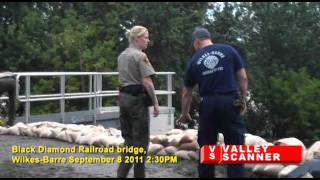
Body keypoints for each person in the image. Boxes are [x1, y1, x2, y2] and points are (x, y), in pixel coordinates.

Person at [176, 27, 249, 178]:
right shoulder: (228, 50)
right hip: (230, 101)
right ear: (208, 38)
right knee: (235, 150)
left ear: (197, 41)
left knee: (207, 150)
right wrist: (243, 99)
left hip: (208, 103)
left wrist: (184, 113)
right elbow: (243, 77)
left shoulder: (194, 60)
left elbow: (186, 92)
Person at [117, 25, 160, 178]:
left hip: (124, 99)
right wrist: (155, 103)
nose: (148, 40)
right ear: (136, 39)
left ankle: (121, 175)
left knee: (128, 141)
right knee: (141, 143)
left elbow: (121, 80)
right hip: (137, 102)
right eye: (145, 37)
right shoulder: (140, 56)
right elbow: (147, 82)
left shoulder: (122, 56)